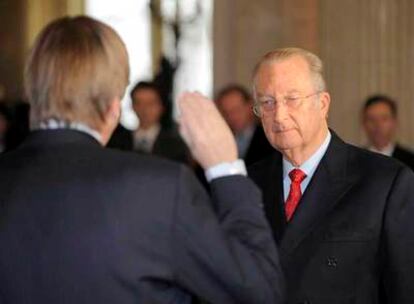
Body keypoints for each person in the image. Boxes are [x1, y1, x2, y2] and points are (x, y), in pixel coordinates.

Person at [0, 16, 285, 304]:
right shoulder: (161, 189)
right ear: (115, 106)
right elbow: (258, 292)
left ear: (33, 93)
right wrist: (226, 170)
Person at [248, 47, 414, 303]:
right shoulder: (246, 184)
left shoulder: (385, 182)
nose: (279, 116)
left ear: (322, 104)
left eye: (292, 99)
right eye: (267, 103)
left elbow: (404, 289)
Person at [108, 81, 190, 164]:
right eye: (139, 103)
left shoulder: (176, 145)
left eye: (151, 103)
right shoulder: (118, 141)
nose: (145, 109)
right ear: (132, 106)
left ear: (161, 106)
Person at [215, 84, 273, 166]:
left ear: (250, 106)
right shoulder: (218, 141)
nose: (232, 117)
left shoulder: (269, 137)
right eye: (226, 112)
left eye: (236, 110)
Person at [362, 94, 414, 170]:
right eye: (371, 119)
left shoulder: (410, 161)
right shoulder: (355, 162)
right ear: (364, 123)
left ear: (394, 122)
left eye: (384, 119)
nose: (378, 125)